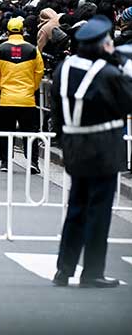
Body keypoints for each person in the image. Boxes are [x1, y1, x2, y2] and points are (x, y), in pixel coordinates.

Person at [52, 15, 132, 288]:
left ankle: (64, 269)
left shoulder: (63, 68)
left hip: (74, 147)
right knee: (99, 212)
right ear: (102, 44)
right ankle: (93, 272)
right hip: (103, 148)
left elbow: (56, 112)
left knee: (76, 208)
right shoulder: (108, 74)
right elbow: (127, 102)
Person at [0, 16, 45, 173]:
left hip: (7, 99)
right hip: (27, 99)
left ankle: (5, 162)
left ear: (8, 32)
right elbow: (39, 71)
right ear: (22, 31)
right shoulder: (32, 49)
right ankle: (33, 162)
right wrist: (31, 87)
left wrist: (3, 86)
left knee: (6, 131)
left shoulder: (0, 49)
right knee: (30, 132)